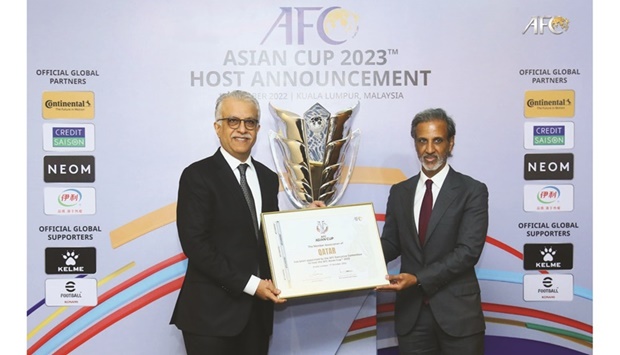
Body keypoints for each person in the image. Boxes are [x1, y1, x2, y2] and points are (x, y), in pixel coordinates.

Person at [170, 90, 323, 355]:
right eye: (233, 121)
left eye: (250, 122)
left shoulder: (267, 177)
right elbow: (195, 245)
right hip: (210, 318)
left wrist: (304, 221)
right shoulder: (197, 176)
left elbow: (269, 233)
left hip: (256, 317)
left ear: (258, 128)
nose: (242, 129)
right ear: (217, 127)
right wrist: (252, 285)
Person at [376, 108, 489, 355]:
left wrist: (418, 279)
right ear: (415, 144)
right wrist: (354, 253)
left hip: (458, 316)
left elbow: (468, 252)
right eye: (422, 141)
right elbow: (391, 244)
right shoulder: (399, 192)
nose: (429, 149)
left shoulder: (472, 190)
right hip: (412, 318)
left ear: (451, 142)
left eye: (437, 140)